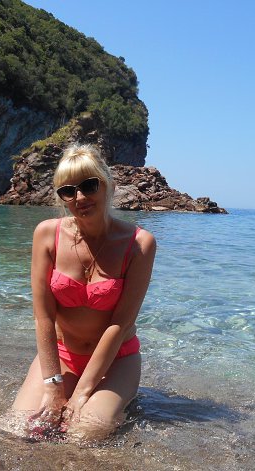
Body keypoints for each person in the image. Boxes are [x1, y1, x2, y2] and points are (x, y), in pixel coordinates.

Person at [11, 143, 156, 440]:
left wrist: (81, 393)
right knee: (22, 430)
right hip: (63, 357)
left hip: (116, 362)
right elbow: (43, 317)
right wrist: (53, 385)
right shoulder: (47, 234)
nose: (79, 198)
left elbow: (121, 324)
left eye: (89, 186)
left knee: (82, 436)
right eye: (68, 191)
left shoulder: (140, 244)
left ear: (108, 184)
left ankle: (119, 401)